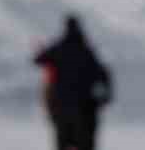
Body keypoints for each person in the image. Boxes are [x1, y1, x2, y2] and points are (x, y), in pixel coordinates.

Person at [32, 14, 113, 150]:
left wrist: (41, 50)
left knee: (63, 143)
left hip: (61, 107)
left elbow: (39, 60)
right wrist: (104, 98)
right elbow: (103, 75)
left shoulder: (58, 49)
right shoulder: (87, 52)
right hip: (85, 109)